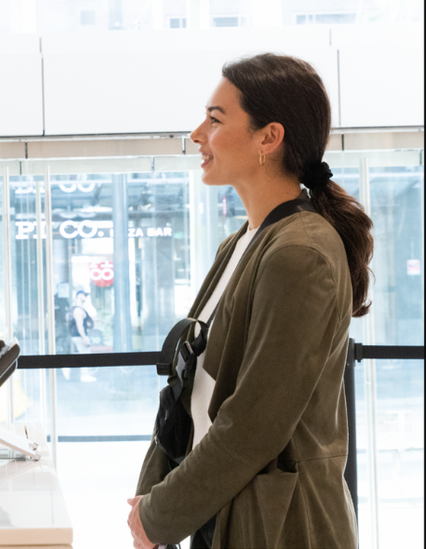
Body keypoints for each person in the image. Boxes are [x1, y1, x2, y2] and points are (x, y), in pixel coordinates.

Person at [127, 54, 372, 548]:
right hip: (226, 515)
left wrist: (160, 513)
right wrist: (153, 499)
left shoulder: (299, 253)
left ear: (269, 138)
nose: (197, 134)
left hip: (283, 528)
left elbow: (254, 424)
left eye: (215, 120)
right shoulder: (243, 243)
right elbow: (189, 389)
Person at [69, 289, 98, 382]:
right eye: (83, 295)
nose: (85, 296)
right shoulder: (78, 310)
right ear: (78, 296)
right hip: (80, 336)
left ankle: (83, 375)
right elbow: (79, 325)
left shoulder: (79, 309)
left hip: (79, 336)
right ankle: (85, 376)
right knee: (85, 355)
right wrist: (84, 337)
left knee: (83, 355)